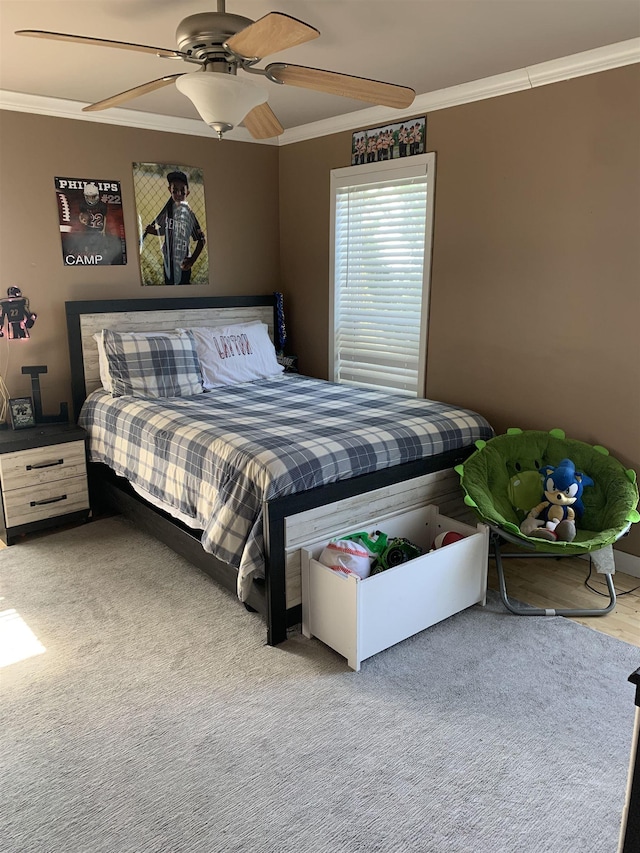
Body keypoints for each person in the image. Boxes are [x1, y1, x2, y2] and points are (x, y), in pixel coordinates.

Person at [144, 170, 206, 285]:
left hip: (183, 263)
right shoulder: (168, 211)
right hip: (168, 261)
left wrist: (192, 260)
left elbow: (201, 240)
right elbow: (164, 230)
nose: (178, 194)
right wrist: (154, 231)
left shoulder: (189, 215)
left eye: (182, 192)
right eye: (175, 191)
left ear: (187, 193)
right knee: (169, 288)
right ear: (169, 190)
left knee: (184, 290)